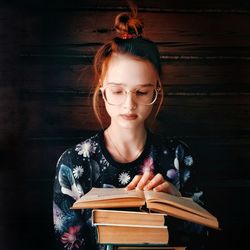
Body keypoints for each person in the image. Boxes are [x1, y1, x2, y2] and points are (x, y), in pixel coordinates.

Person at [53, 6, 208, 250]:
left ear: (156, 90)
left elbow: (202, 237)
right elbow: (68, 243)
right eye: (117, 91)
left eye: (142, 91)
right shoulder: (74, 164)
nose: (129, 104)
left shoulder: (179, 157)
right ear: (102, 90)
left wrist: (179, 205)